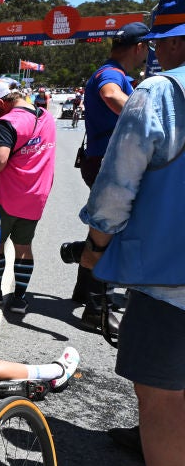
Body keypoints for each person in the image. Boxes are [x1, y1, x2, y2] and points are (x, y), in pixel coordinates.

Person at [77, 0, 185, 466]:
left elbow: (117, 189)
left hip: (170, 277)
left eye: (162, 43)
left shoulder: (161, 93)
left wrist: (95, 248)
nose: (155, 54)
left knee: (162, 394)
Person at [73, 21, 150, 328]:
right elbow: (110, 94)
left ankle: (84, 290)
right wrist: (151, 118)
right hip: (110, 161)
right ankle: (95, 308)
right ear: (139, 47)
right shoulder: (112, 73)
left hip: (102, 159)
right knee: (112, 231)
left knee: (101, 228)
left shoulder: (113, 69)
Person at [0, 80, 57, 315]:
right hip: (36, 195)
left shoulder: (7, 122)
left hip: (6, 195)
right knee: (24, 247)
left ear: (1, 103)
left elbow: (0, 160)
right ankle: (19, 298)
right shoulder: (46, 117)